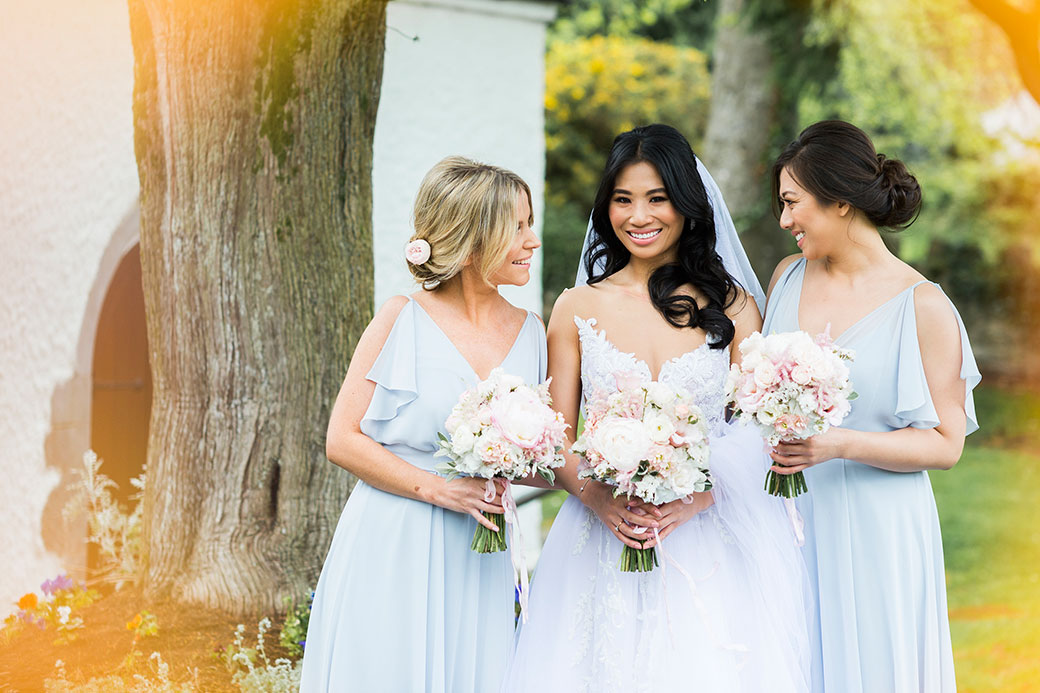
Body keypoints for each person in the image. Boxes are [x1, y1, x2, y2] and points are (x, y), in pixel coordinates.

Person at [502, 124, 811, 692]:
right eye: (623, 199)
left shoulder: (735, 308)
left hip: (707, 539)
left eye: (657, 198)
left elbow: (758, 432)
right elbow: (554, 437)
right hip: (599, 537)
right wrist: (595, 496)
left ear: (687, 204)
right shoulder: (576, 307)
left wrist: (697, 497)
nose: (638, 216)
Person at [300, 156, 544, 692]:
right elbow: (342, 439)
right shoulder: (401, 317)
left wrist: (628, 471)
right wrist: (438, 489)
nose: (533, 241)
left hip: (479, 549)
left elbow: (543, 460)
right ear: (473, 240)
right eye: (517, 227)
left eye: (531, 223)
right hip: (396, 536)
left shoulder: (534, 333)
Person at [763, 120, 980, 693]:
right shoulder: (785, 278)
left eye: (792, 202)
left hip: (878, 529)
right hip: (786, 521)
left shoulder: (924, 306)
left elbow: (946, 444)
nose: (784, 220)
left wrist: (836, 445)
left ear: (839, 201)